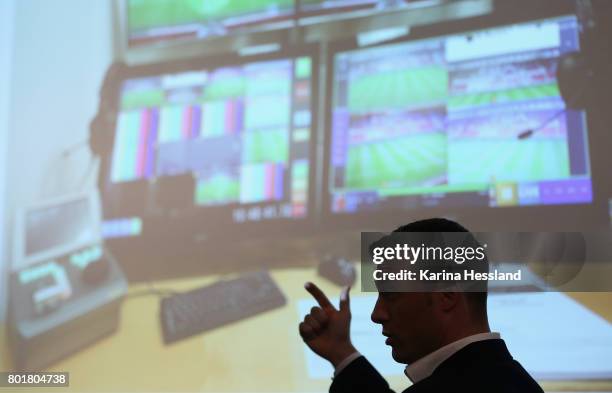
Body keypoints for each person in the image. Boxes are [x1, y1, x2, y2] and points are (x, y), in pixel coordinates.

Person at [298, 218, 544, 393]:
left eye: (390, 295)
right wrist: (341, 352)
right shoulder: (512, 380)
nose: (376, 314)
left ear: (447, 297)